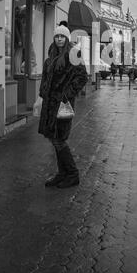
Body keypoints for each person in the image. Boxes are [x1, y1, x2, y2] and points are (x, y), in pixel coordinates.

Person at [38, 25, 88, 188]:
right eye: (57, 36)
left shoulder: (73, 54)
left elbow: (82, 77)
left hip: (62, 104)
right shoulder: (50, 56)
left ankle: (73, 174)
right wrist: (41, 96)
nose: (59, 39)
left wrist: (65, 95)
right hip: (49, 105)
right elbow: (45, 80)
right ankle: (62, 174)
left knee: (59, 140)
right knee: (54, 139)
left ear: (67, 39)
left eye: (62, 37)